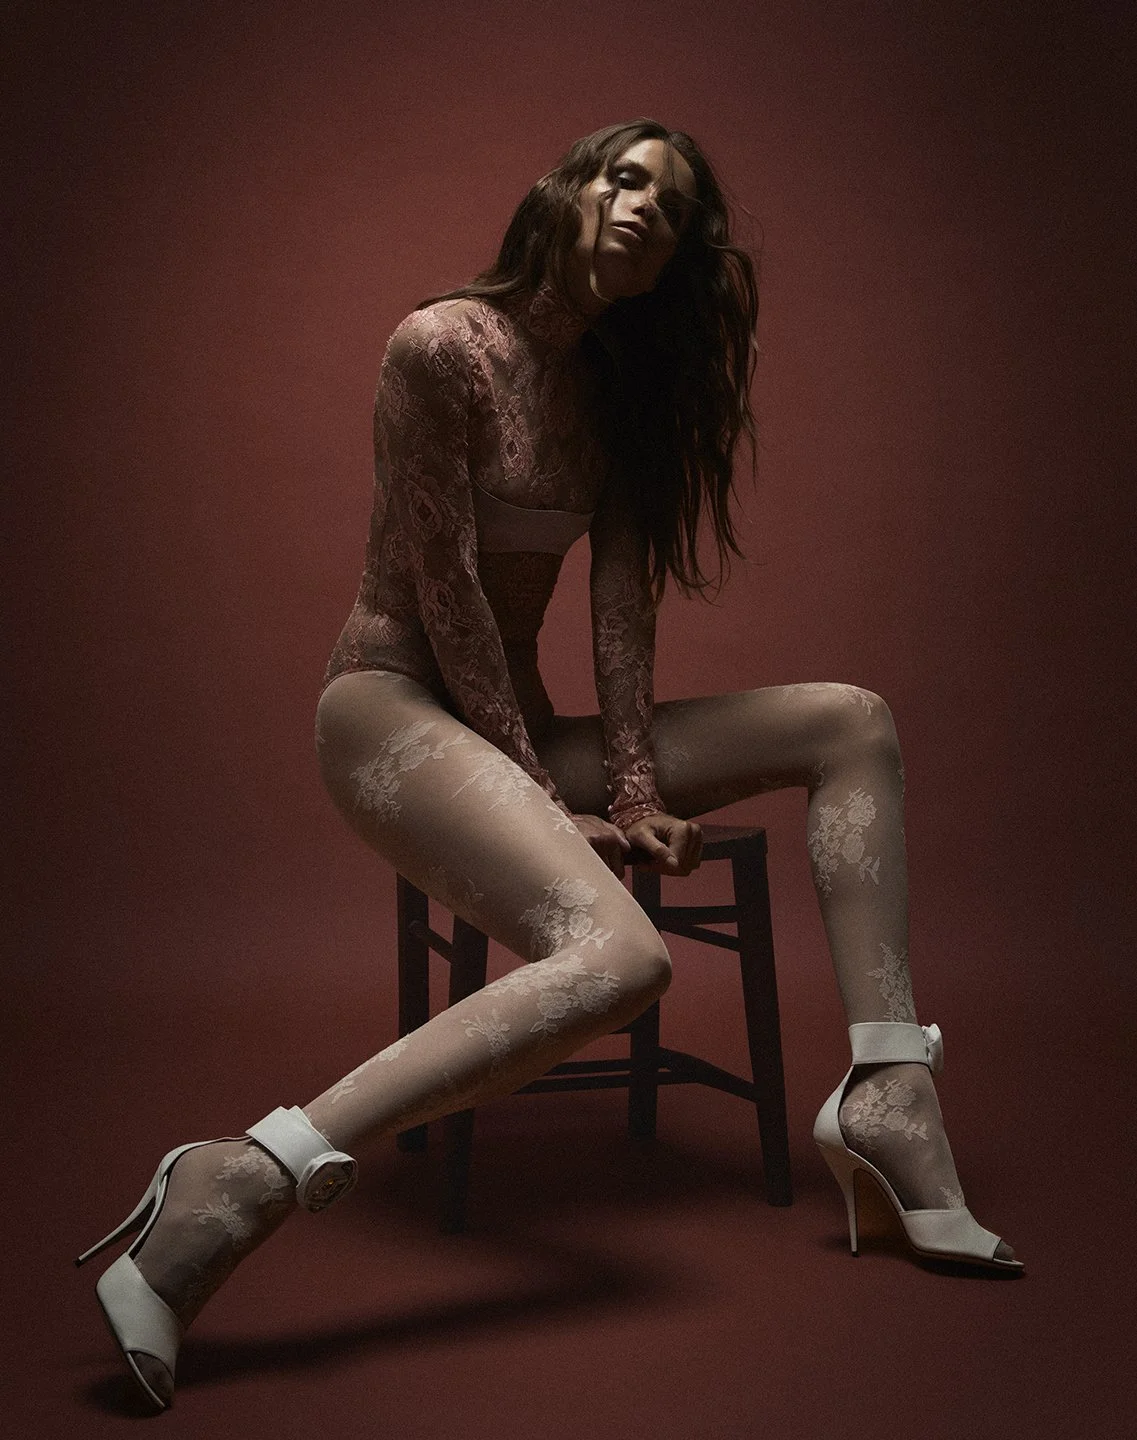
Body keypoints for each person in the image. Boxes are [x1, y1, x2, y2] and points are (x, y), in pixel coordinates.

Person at [77, 118, 1021, 1414]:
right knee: (628, 957)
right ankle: (242, 1175)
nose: (644, 209)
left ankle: (890, 1090)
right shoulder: (438, 347)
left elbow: (620, 614)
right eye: (624, 177)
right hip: (392, 710)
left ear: (675, 259)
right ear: (568, 191)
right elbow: (448, 592)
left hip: (523, 729)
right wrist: (550, 799)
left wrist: (627, 787)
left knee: (851, 719)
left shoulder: (617, 394)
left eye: (673, 208)